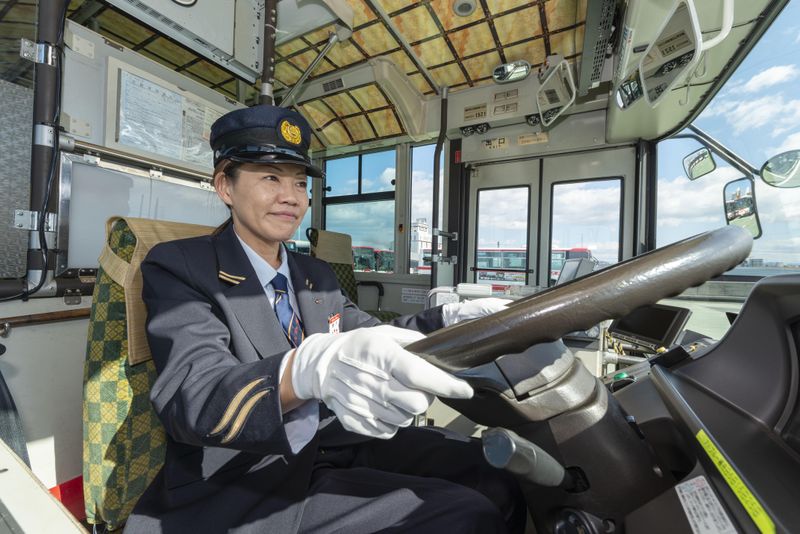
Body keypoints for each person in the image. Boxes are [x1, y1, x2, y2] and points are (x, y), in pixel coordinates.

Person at [124, 105, 525, 533]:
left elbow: (373, 334)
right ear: (225, 186)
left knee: (497, 475)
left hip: (336, 440)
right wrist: (303, 371)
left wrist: (450, 320)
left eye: (300, 182)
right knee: (467, 515)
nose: (292, 197)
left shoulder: (314, 274)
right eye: (271, 178)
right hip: (248, 475)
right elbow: (194, 396)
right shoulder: (182, 266)